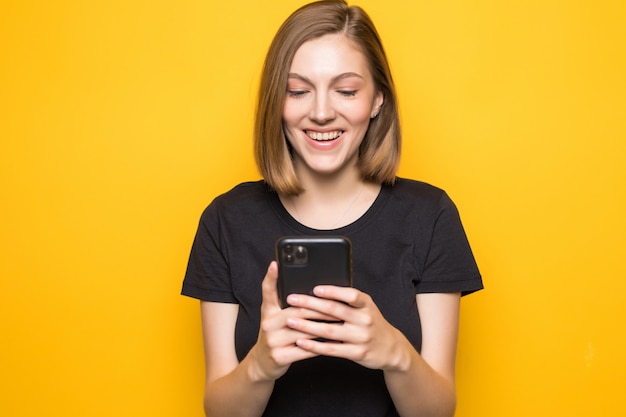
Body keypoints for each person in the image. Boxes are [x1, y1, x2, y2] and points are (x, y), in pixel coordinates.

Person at [181, 1, 483, 416]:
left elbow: (437, 412)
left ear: (377, 99)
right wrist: (260, 365)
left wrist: (394, 352)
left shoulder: (430, 216)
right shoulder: (226, 220)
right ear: (276, 102)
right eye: (298, 91)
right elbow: (220, 411)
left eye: (346, 90)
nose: (321, 113)